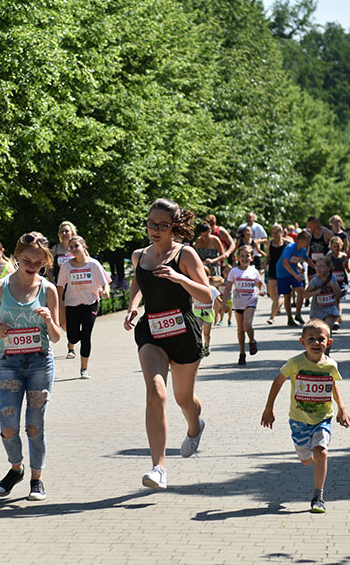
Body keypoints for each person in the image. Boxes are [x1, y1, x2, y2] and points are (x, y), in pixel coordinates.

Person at [124, 199, 212, 490]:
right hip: (152, 332)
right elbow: (138, 282)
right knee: (156, 391)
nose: (155, 230)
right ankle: (158, 467)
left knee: (184, 399)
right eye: (151, 223)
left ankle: (194, 426)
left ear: (174, 226)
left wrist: (178, 277)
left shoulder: (185, 254)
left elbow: (206, 296)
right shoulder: (140, 256)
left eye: (163, 225)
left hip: (183, 333)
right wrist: (133, 306)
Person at [0, 231, 62, 501]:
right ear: (16, 257)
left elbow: (56, 336)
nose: (32, 267)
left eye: (39, 263)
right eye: (27, 260)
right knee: (7, 425)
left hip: (40, 362)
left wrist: (49, 319)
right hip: (10, 364)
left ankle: (36, 479)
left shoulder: (48, 289)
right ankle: (16, 468)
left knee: (34, 425)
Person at [261, 319, 350, 514]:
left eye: (321, 339)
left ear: (329, 342)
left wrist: (341, 408)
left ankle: (318, 496)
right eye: (311, 339)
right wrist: (269, 408)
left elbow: (333, 385)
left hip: (322, 418)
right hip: (299, 420)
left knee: (321, 452)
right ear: (302, 342)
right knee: (306, 459)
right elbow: (277, 382)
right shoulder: (295, 363)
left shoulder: (330, 365)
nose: (316, 343)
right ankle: (308, 458)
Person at [56, 235, 110, 373]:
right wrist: (60, 302)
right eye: (71, 247)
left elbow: (105, 283)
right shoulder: (66, 266)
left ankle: (84, 368)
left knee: (86, 336)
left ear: (84, 247)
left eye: (76, 246)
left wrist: (105, 290)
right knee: (72, 336)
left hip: (90, 304)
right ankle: (73, 341)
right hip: (72, 305)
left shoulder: (94, 264)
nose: (74, 249)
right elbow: (60, 285)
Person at [225, 245, 264, 365]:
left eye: (247, 256)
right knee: (240, 330)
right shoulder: (234, 272)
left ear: (252, 257)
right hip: (238, 303)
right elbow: (227, 288)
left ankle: (252, 340)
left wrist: (262, 290)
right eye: (242, 256)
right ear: (237, 258)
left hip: (250, 301)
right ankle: (242, 354)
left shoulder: (253, 271)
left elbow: (260, 284)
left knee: (247, 324)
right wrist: (224, 302)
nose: (245, 258)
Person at [276, 230, 311, 327]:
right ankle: (289, 318)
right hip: (282, 272)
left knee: (300, 291)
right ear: (301, 241)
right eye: (307, 241)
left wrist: (316, 267)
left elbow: (307, 259)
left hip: (293, 271)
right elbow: (285, 262)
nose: (308, 244)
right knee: (287, 295)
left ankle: (298, 314)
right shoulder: (290, 248)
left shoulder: (303, 250)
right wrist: (295, 275)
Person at [305, 258, 342, 332]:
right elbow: (304, 295)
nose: (319, 268)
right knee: (318, 332)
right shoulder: (315, 281)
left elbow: (339, 294)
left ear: (328, 268)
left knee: (327, 330)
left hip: (330, 309)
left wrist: (332, 285)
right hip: (317, 311)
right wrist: (315, 292)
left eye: (322, 266)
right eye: (317, 266)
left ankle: (328, 342)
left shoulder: (332, 278)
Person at [265, 224, 288, 325]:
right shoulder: (270, 244)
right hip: (272, 270)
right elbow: (268, 256)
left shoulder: (287, 244)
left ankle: (271, 317)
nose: (274, 235)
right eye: (273, 233)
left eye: (277, 232)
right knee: (271, 294)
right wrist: (263, 265)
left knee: (277, 295)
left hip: (283, 271)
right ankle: (279, 303)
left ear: (281, 232)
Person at [195, 277, 222, 358]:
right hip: (197, 312)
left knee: (206, 334)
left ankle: (206, 346)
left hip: (208, 313)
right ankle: (199, 348)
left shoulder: (212, 289)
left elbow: (219, 300)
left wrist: (225, 306)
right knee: (198, 331)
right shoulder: (195, 287)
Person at [328, 235, 350, 329]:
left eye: (338, 246)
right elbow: (325, 268)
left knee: (337, 299)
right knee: (336, 300)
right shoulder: (329, 256)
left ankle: (337, 316)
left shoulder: (344, 256)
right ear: (331, 247)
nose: (337, 248)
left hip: (342, 282)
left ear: (342, 246)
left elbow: (348, 270)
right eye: (334, 246)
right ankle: (337, 316)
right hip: (333, 282)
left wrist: (345, 265)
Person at [305, 217, 334, 286]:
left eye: (310, 226)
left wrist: (329, 256)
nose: (309, 228)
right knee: (311, 282)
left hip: (324, 262)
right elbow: (305, 247)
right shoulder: (309, 234)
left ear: (316, 224)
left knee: (325, 282)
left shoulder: (327, 233)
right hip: (312, 262)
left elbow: (335, 245)